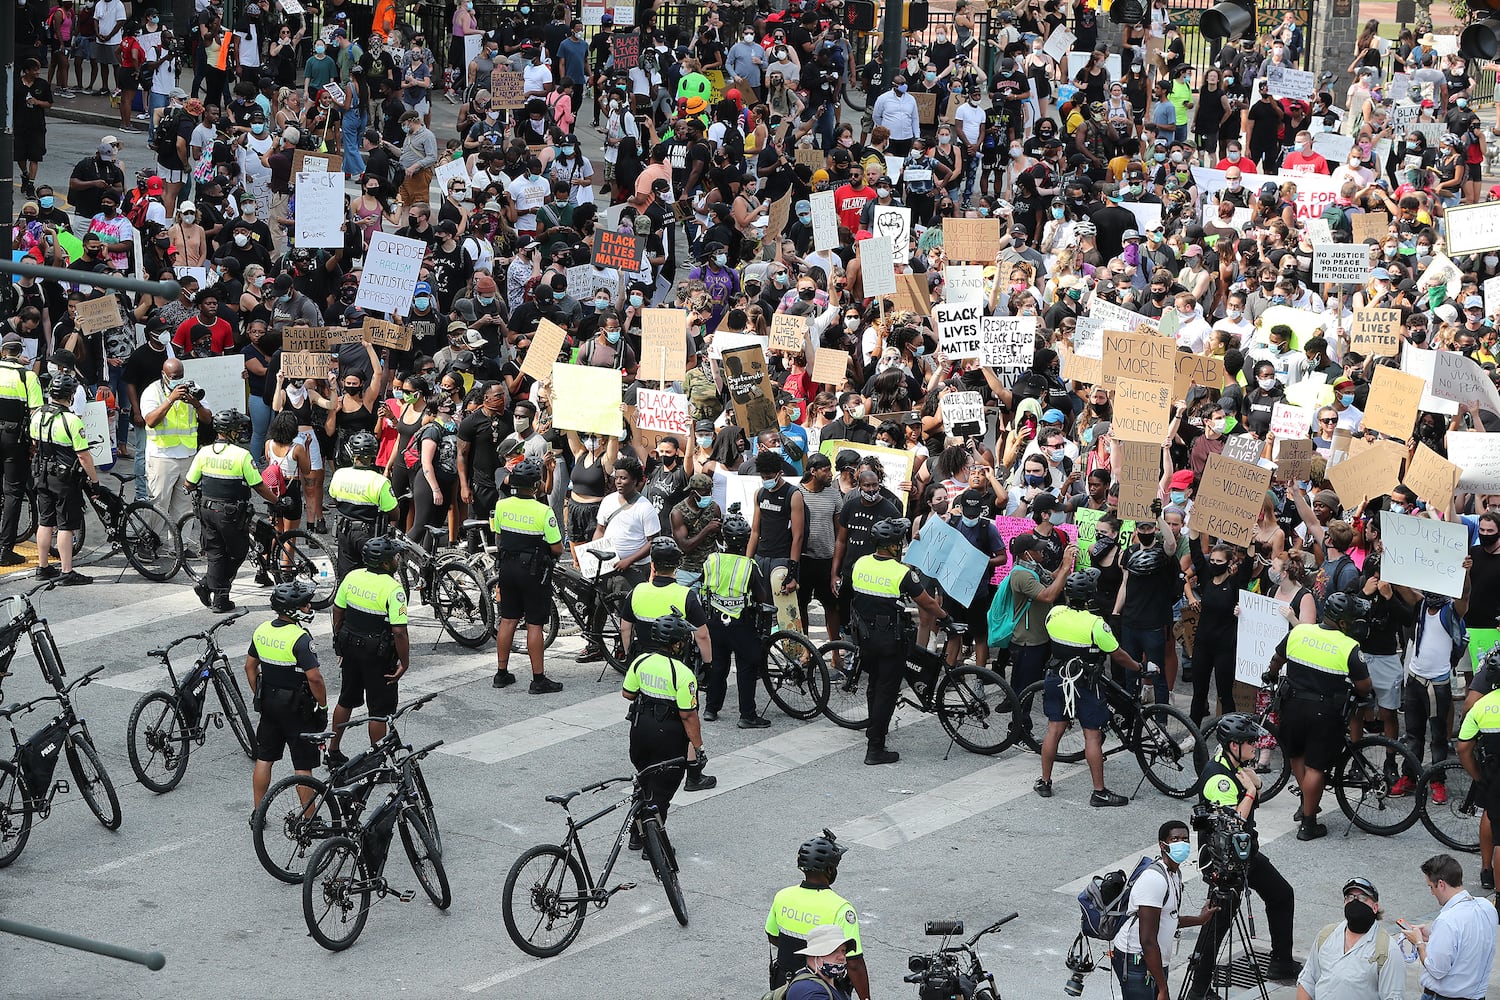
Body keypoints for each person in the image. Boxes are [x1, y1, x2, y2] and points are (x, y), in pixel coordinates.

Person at [1188, 713, 1300, 997]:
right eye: (1250, 742)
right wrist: (1250, 791)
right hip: (1225, 861)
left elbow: (1252, 795)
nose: (1256, 745)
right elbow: (1233, 822)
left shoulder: (1233, 763)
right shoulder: (1218, 779)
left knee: (1281, 895)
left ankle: (1281, 962)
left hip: (1245, 853)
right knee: (1217, 923)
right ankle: (1198, 991)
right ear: (1233, 745)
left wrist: (1254, 785)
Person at [1263, 590, 1375, 841]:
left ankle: (1306, 803)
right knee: (1316, 767)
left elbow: (1276, 660)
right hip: (1325, 713)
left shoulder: (1299, 631)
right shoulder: (1348, 645)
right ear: (1344, 622)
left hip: (1291, 706)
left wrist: (1270, 675)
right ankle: (1308, 823)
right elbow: (1364, 685)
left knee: (1297, 755)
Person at [848, 517, 951, 765]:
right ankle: (875, 749)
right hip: (889, 640)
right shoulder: (901, 572)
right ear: (894, 545)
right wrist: (947, 618)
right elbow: (926, 602)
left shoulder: (860, 563)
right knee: (887, 690)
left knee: (874, 685)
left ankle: (873, 728)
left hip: (864, 637)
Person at [1035, 569, 1142, 806]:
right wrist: (1138, 667)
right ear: (1091, 596)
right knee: (1092, 735)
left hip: (1057, 677)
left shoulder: (1054, 614)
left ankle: (1044, 781)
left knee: (1054, 729)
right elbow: (1118, 655)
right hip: (1086, 683)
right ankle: (1099, 792)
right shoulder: (1096, 624)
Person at [619, 613, 714, 847]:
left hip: (640, 731)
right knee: (661, 793)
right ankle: (654, 844)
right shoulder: (683, 674)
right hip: (668, 737)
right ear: (677, 643)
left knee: (644, 783)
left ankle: (636, 835)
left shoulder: (641, 661)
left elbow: (628, 693)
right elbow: (688, 715)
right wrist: (698, 748)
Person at [183, 409, 286, 612]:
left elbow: (189, 483)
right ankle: (215, 592)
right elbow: (258, 485)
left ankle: (213, 591)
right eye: (238, 430)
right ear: (230, 432)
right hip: (231, 514)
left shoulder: (203, 452)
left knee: (215, 553)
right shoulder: (242, 455)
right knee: (237, 552)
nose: (240, 434)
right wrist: (277, 500)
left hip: (207, 511)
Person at [325, 536, 410, 767]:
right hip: (378, 655)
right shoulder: (394, 589)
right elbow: (399, 631)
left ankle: (333, 752)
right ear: (384, 563)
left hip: (350, 646)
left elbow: (338, 610)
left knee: (346, 699)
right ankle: (377, 761)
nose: (397, 559)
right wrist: (405, 663)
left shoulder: (351, 577)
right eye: (394, 556)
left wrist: (339, 640)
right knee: (379, 710)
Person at [245, 580, 327, 812]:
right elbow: (315, 679)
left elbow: (250, 667)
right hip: (297, 708)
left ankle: (258, 812)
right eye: (304, 605)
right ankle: (310, 818)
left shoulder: (261, 630)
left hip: (270, 704)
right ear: (293, 609)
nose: (309, 607)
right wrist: (322, 706)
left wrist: (260, 694)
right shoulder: (300, 639)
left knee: (265, 758)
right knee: (302, 766)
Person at [1111, 820, 1217, 1000]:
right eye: (1175, 839)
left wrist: (1199, 919)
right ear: (1163, 845)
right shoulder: (1154, 880)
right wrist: (1163, 988)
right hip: (1138, 959)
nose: (1181, 844)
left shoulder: (1173, 873)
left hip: (1153, 960)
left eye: (1185, 839)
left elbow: (1167, 918)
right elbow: (1147, 940)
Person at [490, 457, 565, 694]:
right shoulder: (544, 511)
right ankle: (538, 678)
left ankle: (501, 673)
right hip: (533, 572)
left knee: (508, 619)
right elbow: (557, 548)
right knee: (534, 624)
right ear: (535, 486)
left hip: (507, 569)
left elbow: (499, 536)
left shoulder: (502, 505)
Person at [765, 830, 869, 998]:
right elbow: (854, 962)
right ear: (829, 870)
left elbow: (773, 936)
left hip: (784, 986)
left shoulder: (782, 896)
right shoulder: (840, 907)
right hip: (822, 987)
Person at [699, 511, 773, 727]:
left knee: (718, 666)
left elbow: (702, 582)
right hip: (741, 623)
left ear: (723, 538)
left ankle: (711, 709)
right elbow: (761, 596)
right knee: (746, 667)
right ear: (747, 540)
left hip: (715, 622)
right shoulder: (748, 566)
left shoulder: (712, 560)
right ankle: (747, 716)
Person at [28, 373, 98, 586]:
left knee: (45, 520)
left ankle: (43, 567)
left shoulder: (37, 415)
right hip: (64, 478)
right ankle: (67, 571)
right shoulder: (72, 421)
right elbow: (83, 456)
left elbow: (34, 442)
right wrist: (94, 481)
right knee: (66, 524)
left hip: (41, 474)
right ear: (70, 395)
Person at [1399, 855, 1496, 1000]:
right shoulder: (1487, 907)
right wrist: (1432, 934)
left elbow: (1436, 969)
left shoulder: (1447, 921)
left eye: (1431, 887)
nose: (1432, 892)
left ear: (1441, 884)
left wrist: (1419, 944)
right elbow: (1467, 940)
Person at [1294, 877, 1402, 1000]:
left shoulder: (1387, 950)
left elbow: (1393, 996)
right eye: (1350, 897)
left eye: (1362, 898)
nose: (1355, 902)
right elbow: (1307, 981)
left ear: (1375, 907)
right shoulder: (1326, 935)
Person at [141, 357, 213, 527]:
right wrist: (170, 399)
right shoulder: (153, 391)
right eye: (173, 377)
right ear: (163, 375)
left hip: (187, 455)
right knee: (158, 504)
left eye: (180, 375)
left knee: (185, 505)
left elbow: (207, 419)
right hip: (161, 455)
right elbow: (150, 421)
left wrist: (196, 404)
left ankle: (180, 546)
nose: (177, 380)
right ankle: (151, 544)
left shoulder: (193, 388)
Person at [326, 430, 398, 580]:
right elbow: (394, 512)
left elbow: (335, 499)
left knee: (347, 576)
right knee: (374, 577)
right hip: (369, 535)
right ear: (373, 455)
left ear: (353, 454)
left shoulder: (339, 474)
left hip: (344, 531)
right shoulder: (379, 481)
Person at [0, 334, 44, 566]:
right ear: (20, 352)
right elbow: (36, 413)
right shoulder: (28, 376)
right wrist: (34, 444)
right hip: (14, 439)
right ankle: (6, 549)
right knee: (13, 493)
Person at [779, 925, 855, 1000]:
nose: (842, 957)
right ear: (814, 955)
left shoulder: (831, 982)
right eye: (833, 951)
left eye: (843, 951)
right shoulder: (810, 991)